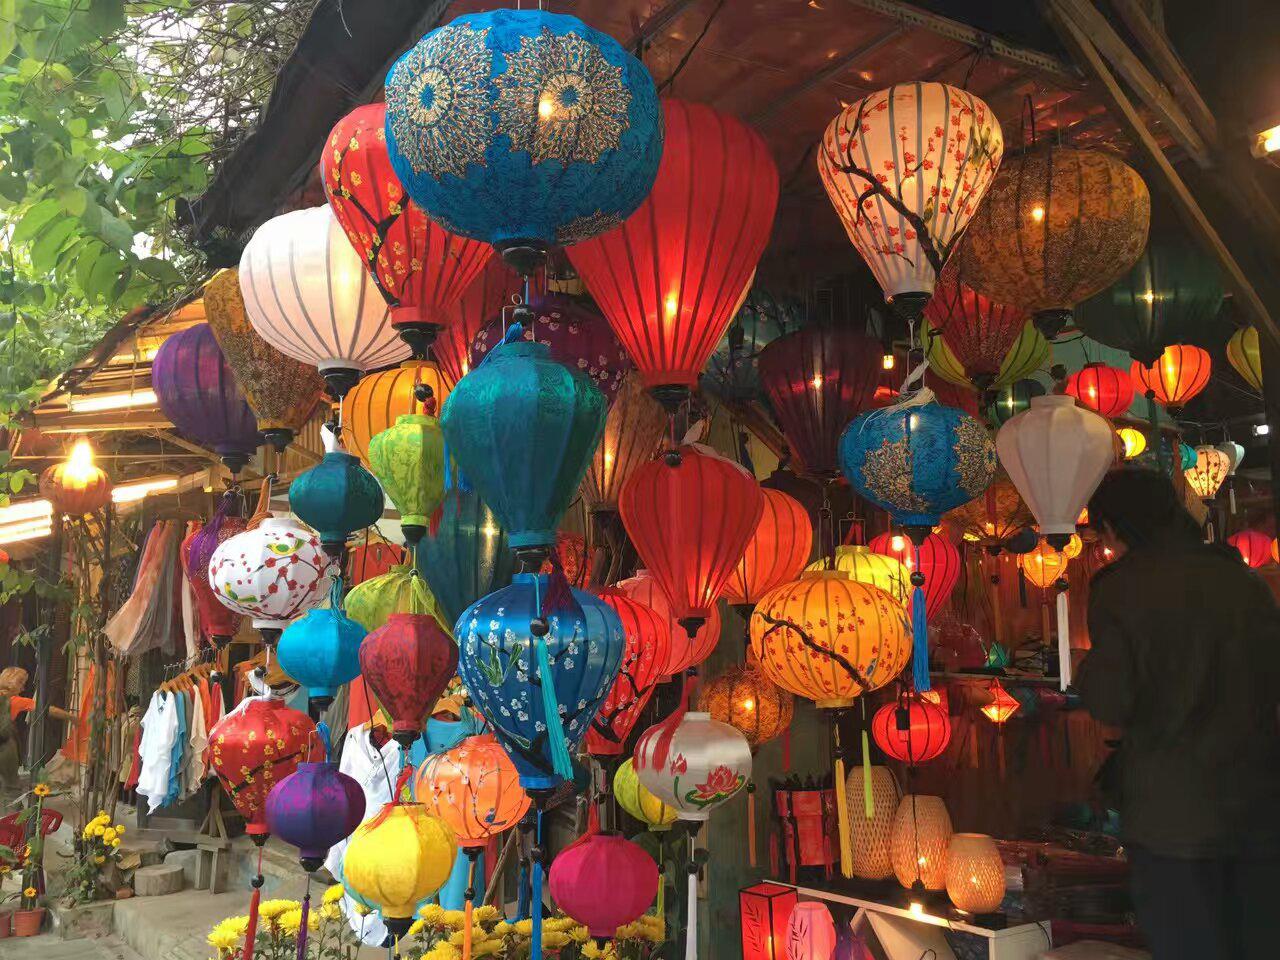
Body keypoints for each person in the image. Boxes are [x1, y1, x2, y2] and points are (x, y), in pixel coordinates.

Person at [1077, 469, 1280, 960]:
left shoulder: (1122, 590)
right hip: (1257, 809)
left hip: (1173, 819)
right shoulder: (1242, 579)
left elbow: (1112, 701)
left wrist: (1087, 671)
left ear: (1113, 528)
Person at [0, 666, 75, 795]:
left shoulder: (15, 700)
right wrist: (73, 718)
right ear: (11, 680)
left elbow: (46, 709)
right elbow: (48, 710)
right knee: (10, 787)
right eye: (21, 683)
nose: (23, 688)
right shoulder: (14, 700)